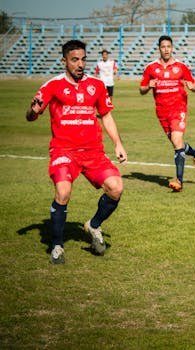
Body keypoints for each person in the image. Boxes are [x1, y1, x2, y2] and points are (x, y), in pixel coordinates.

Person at [26, 40, 127, 264]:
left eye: (83, 59)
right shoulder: (52, 85)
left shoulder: (97, 85)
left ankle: (94, 225)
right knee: (63, 192)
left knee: (116, 188)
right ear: (64, 61)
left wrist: (118, 143)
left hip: (93, 152)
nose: (80, 64)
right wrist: (32, 110)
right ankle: (57, 244)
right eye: (74, 60)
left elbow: (106, 115)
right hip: (64, 151)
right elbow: (32, 115)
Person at [140, 35, 195, 192]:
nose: (166, 49)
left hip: (178, 108)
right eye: (163, 47)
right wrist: (148, 86)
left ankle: (179, 182)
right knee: (178, 144)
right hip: (161, 111)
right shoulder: (151, 68)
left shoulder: (181, 67)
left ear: (172, 48)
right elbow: (141, 89)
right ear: (159, 49)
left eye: (168, 46)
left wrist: (191, 86)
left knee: (176, 140)